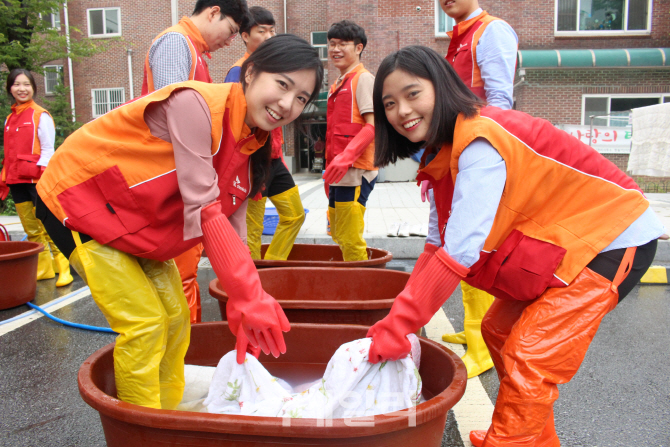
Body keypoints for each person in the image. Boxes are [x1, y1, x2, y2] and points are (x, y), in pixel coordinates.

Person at [367, 46, 664, 447]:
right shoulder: (442, 158)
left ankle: (509, 440)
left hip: (612, 237)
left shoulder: (479, 141)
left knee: (531, 355)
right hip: (576, 236)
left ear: (441, 86)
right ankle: (532, 439)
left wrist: (397, 325)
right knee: (500, 329)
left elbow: (459, 251)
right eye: (389, 103)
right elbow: (435, 248)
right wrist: (398, 323)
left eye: (412, 93)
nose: (402, 110)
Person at [36, 35, 324, 410]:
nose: (287, 104)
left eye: (301, 98)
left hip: (133, 220)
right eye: (282, 85)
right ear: (251, 73)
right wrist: (248, 295)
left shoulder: (253, 142)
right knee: (145, 323)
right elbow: (206, 209)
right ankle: (144, 427)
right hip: (79, 202)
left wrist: (240, 298)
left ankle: (170, 413)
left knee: (175, 317)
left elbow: (233, 228)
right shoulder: (195, 104)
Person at [141, 0, 249, 324]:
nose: (231, 41)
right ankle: (184, 359)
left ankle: (183, 353)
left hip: (181, 177)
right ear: (213, 11)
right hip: (172, 176)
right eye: (230, 31)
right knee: (181, 277)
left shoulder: (194, 51)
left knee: (180, 278)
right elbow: (172, 106)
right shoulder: (177, 43)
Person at [436, 0, 519, 379]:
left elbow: (500, 103)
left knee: (475, 246)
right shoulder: (460, 38)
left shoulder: (491, 31)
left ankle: (482, 345)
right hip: (457, 154)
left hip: (475, 154)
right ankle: (474, 329)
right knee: (458, 241)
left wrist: (479, 163)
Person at [225, 6, 305, 261]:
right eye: (262, 31)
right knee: (252, 229)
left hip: (274, 158)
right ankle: (251, 282)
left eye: (273, 31)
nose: (270, 37)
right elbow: (233, 122)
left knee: (294, 215)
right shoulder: (238, 71)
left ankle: (272, 265)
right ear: (245, 35)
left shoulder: (273, 70)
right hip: (251, 160)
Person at [0, 69, 73, 287]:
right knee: (31, 229)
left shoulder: (40, 115)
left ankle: (64, 268)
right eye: (16, 84)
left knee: (48, 227)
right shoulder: (10, 118)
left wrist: (43, 179)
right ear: (10, 88)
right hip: (16, 181)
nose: (21, 89)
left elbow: (49, 150)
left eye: (26, 84)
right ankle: (44, 270)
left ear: (33, 88)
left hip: (36, 180)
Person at [323, 20, 377, 261]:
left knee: (349, 234)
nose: (335, 49)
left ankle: (360, 287)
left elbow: (372, 125)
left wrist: (346, 157)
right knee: (338, 231)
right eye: (332, 44)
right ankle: (351, 277)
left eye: (343, 44)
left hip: (355, 170)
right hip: (339, 172)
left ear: (359, 48)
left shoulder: (362, 79)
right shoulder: (338, 83)